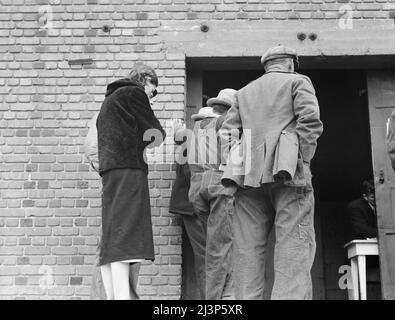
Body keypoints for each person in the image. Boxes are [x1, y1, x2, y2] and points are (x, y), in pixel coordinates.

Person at [220, 45, 323, 300]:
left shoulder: (243, 93)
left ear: (267, 66)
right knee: (293, 247)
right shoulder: (298, 81)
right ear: (290, 63)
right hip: (288, 175)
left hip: (248, 180)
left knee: (247, 251)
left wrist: (240, 163)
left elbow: (226, 135)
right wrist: (302, 160)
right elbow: (310, 121)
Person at [96, 63, 165, 300]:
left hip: (110, 172)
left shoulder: (110, 101)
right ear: (144, 80)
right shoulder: (133, 93)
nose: (152, 97)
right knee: (127, 233)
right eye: (153, 91)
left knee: (113, 234)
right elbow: (155, 133)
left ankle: (115, 296)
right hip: (128, 169)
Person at [84, 113, 141, 300]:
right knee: (111, 248)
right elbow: (92, 149)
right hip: (118, 190)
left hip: (129, 191)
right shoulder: (107, 114)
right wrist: (116, 174)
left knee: (128, 249)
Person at [188, 89, 237, 300]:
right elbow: (233, 158)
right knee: (221, 249)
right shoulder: (226, 123)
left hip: (198, 190)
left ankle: (225, 296)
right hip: (219, 188)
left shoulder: (197, 127)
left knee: (214, 248)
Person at [169, 123, 207, 299]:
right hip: (195, 206)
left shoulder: (191, 140)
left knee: (205, 257)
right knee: (207, 257)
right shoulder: (198, 141)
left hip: (190, 206)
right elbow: (191, 175)